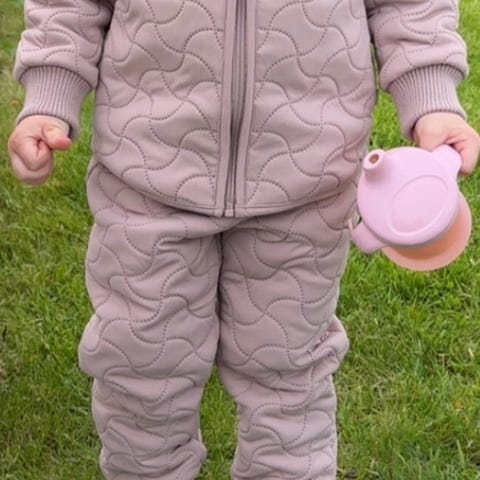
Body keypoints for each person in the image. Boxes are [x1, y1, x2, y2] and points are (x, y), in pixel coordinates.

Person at [7, 1, 479, 479]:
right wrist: (50, 93)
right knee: (141, 367)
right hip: (148, 173)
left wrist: (431, 96)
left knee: (287, 378)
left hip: (305, 182)